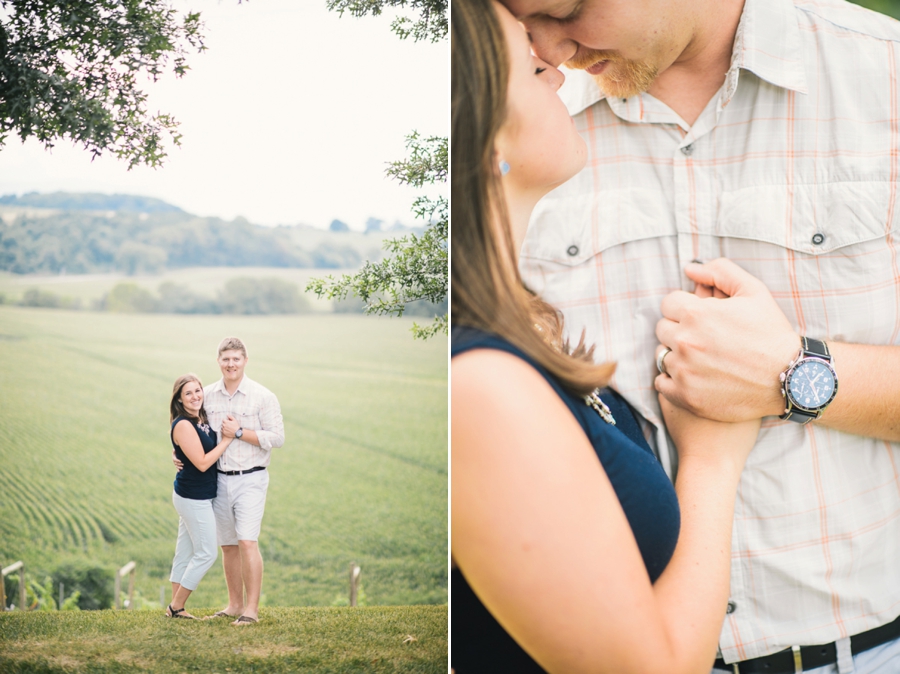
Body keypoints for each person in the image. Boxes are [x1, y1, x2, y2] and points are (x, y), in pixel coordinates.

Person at [506, 0, 900, 670]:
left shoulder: (884, 73)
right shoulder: (519, 113)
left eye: (566, 9)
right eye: (521, 15)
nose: (549, 46)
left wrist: (797, 374)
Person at [451, 1, 761, 671]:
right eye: (533, 67)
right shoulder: (480, 387)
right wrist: (713, 458)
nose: (561, 72)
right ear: (483, 133)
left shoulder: (515, 326)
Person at [201, 336, 284, 626]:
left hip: (251, 479)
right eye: (226, 359)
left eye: (236, 358)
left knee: (247, 542)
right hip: (219, 479)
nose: (231, 364)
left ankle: (251, 610)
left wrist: (239, 432)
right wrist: (181, 455)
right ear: (218, 362)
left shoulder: (263, 396)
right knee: (228, 545)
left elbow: (277, 438)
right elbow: (197, 431)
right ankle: (234, 605)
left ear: (245, 361)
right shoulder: (208, 395)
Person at [167, 374, 233, 619]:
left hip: (196, 496)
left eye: (198, 391)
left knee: (184, 552)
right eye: (188, 393)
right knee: (207, 553)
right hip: (193, 498)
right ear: (179, 400)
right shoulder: (184, 423)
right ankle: (175, 607)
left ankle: (177, 609)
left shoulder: (200, 417)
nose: (195, 396)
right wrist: (226, 441)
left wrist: (177, 454)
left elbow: (189, 449)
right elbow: (203, 463)